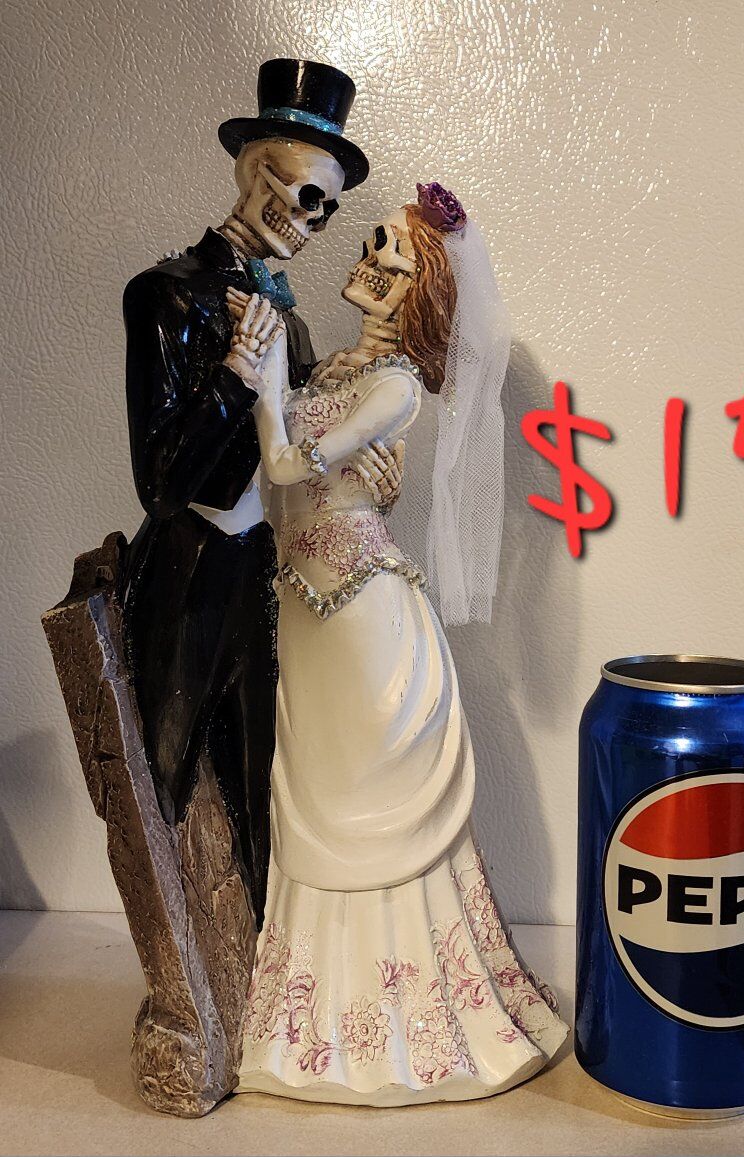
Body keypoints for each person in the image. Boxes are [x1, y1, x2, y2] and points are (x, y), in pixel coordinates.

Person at [233, 183, 568, 1105]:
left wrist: (264, 390)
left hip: (363, 618)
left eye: (396, 257)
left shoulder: (393, 387)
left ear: (422, 293)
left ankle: (407, 1020)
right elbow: (282, 491)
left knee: (359, 795)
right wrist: (281, 386)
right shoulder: (336, 371)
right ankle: (313, 1018)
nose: (372, 261)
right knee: (314, 789)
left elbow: (285, 466)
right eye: (373, 244)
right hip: (307, 609)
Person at [121, 60, 400, 925]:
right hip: (185, 577)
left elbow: (296, 455)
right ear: (252, 173)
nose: (309, 222)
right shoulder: (168, 295)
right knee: (166, 773)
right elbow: (161, 483)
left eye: (326, 209)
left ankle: (265, 969)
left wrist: (363, 466)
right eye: (301, 195)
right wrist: (233, 380)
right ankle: (182, 965)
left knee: (264, 778)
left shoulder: (293, 321)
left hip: (261, 578)